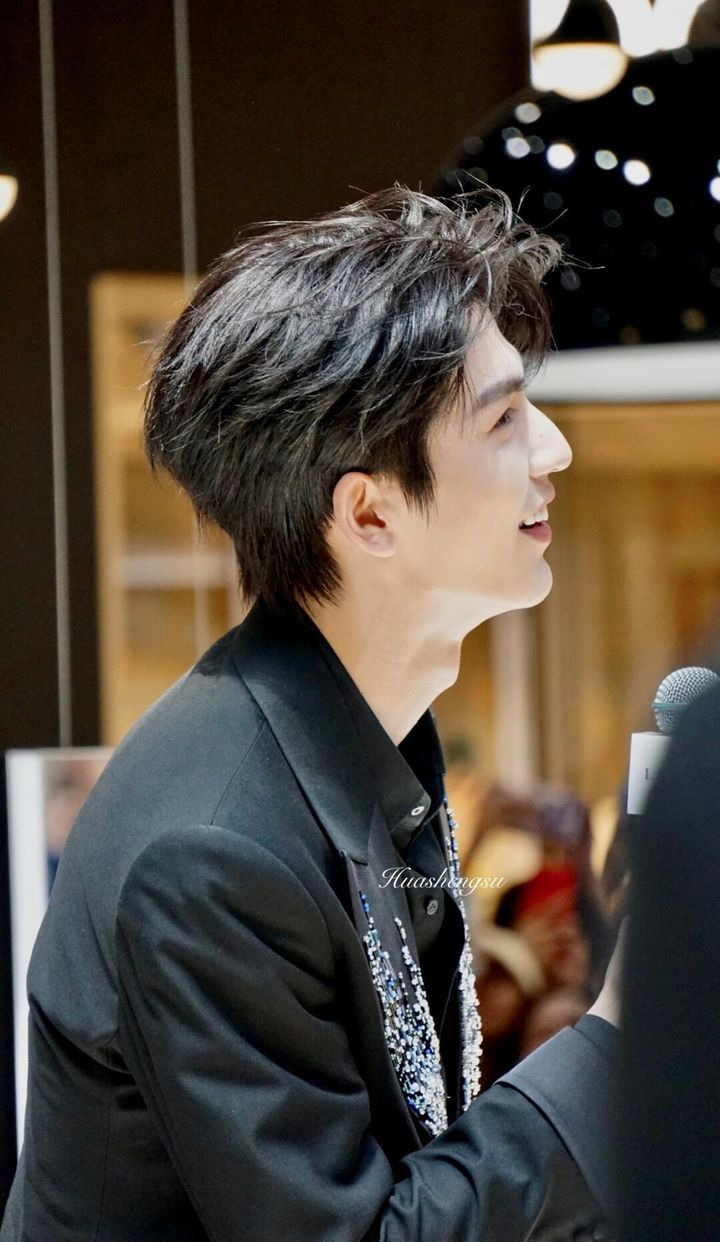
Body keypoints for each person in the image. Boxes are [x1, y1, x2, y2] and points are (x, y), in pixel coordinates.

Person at [2, 188, 621, 1241]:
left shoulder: (365, 731)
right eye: (505, 418)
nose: (554, 450)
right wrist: (618, 1032)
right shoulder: (209, 855)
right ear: (368, 513)